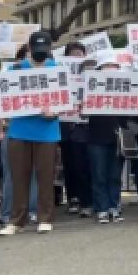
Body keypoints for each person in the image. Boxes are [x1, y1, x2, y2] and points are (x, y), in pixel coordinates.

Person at [0, 32, 62, 235]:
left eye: (44, 49)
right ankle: (16, 221)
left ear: (49, 49)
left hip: (47, 132)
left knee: (45, 178)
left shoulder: (57, 69)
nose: (40, 53)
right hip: (19, 131)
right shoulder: (16, 69)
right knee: (19, 177)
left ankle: (45, 218)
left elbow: (64, 99)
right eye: (36, 49)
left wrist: (54, 112)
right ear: (30, 48)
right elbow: (2, 98)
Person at [83, 54, 126, 224]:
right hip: (96, 137)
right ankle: (101, 208)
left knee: (114, 175)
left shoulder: (125, 88)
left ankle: (114, 206)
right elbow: (84, 114)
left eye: (114, 66)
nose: (110, 69)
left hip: (117, 137)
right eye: (107, 66)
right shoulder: (91, 87)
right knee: (99, 175)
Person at [58, 42, 92, 217]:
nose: (77, 57)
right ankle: (72, 198)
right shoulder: (60, 75)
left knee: (81, 166)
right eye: (74, 54)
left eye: (80, 54)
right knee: (68, 166)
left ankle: (86, 201)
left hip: (82, 126)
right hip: (64, 125)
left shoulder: (91, 76)